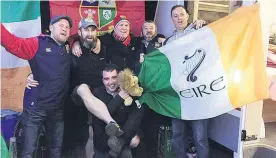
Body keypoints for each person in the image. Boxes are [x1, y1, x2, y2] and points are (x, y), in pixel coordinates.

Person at [1, 15, 73, 158]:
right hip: (35, 109)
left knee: (56, 149)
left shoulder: (68, 47)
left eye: (68, 27)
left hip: (57, 111)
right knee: (29, 151)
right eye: (61, 25)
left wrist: (76, 43)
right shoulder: (37, 43)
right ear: (51, 28)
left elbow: (82, 38)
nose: (65, 29)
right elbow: (13, 44)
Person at [164, 5, 209, 158]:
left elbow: (214, 43)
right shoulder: (168, 42)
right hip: (177, 96)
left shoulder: (200, 32)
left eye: (181, 14)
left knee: (200, 136)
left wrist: (205, 25)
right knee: (177, 135)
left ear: (188, 16)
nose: (179, 18)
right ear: (172, 19)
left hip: (198, 93)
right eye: (175, 16)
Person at [90, 64, 145, 158]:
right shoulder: (96, 94)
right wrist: (119, 99)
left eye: (114, 77)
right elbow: (100, 118)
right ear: (103, 81)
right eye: (107, 79)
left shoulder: (128, 92)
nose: (111, 82)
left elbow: (134, 120)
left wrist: (126, 139)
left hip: (122, 142)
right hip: (103, 145)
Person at [72, 15, 141, 72]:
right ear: (114, 27)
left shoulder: (136, 41)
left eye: (126, 25)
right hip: (112, 82)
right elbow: (88, 38)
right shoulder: (106, 39)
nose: (124, 28)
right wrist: (76, 43)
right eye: (121, 25)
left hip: (131, 81)